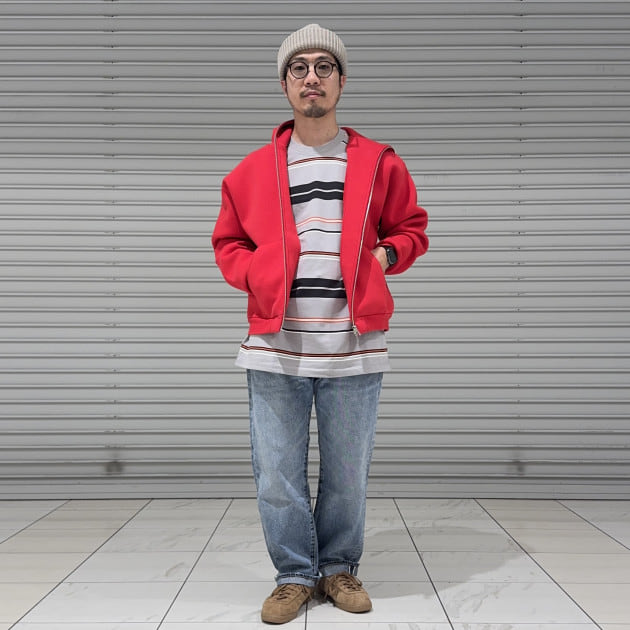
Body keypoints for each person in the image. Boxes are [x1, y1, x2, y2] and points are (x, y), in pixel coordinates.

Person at [212, 23, 429, 624]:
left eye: (324, 67)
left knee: (347, 473)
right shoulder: (251, 171)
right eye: (299, 68)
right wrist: (258, 272)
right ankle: (293, 575)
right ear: (285, 84)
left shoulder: (379, 163)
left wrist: (383, 256)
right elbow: (228, 243)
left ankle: (337, 568)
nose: (312, 77)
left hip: (354, 343)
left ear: (341, 81)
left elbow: (411, 227)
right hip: (274, 343)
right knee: (276, 474)